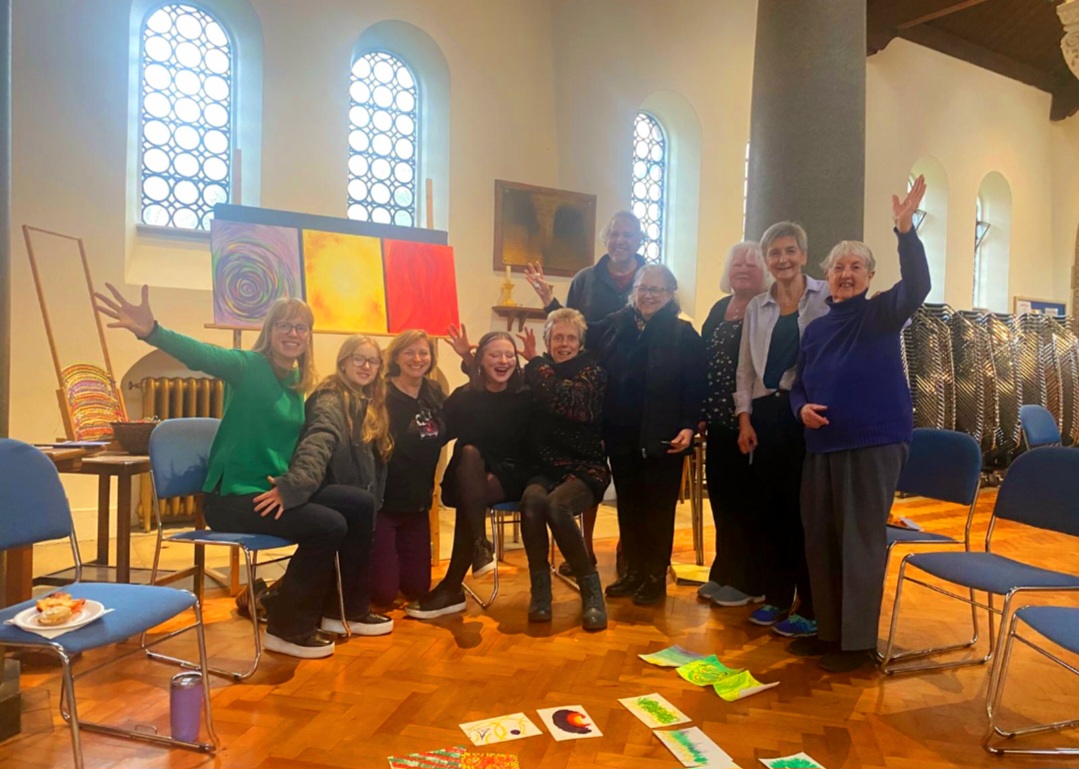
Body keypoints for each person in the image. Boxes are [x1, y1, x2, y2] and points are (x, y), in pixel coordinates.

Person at [95, 288, 347, 658]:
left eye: (301, 327)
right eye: (284, 325)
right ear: (270, 330)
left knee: (348, 507)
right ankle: (287, 629)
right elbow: (201, 354)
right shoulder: (248, 366)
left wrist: (292, 486)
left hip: (266, 491)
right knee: (328, 526)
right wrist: (152, 331)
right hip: (230, 498)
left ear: (309, 336)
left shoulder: (297, 383)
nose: (293, 333)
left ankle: (310, 608)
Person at [790, 176, 931, 673]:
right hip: (822, 446)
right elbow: (799, 385)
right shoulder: (816, 328)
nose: (845, 274)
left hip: (872, 442)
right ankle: (829, 634)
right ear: (826, 277)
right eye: (838, 267)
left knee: (859, 542)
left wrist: (905, 230)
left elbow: (918, 285)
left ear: (870, 276)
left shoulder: (880, 314)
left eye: (855, 267)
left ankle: (856, 646)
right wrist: (800, 410)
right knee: (822, 540)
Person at [523, 210, 647, 574]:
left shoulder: (649, 278)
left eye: (628, 234)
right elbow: (575, 327)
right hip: (588, 387)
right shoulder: (585, 279)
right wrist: (549, 301)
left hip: (633, 392)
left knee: (629, 476)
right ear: (605, 239)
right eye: (615, 234)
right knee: (587, 466)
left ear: (639, 240)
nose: (620, 241)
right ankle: (585, 549)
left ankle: (629, 549)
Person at [587, 264, 704, 606]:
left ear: (670, 294)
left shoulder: (684, 334)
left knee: (658, 510)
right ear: (633, 291)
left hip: (664, 436)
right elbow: (585, 335)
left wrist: (688, 425)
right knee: (629, 506)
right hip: (622, 435)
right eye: (643, 288)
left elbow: (694, 386)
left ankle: (654, 577)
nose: (648, 295)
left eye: (656, 289)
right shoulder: (618, 326)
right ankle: (633, 571)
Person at [734, 221, 830, 639]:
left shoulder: (826, 297)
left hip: (805, 412)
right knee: (771, 512)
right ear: (766, 260)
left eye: (790, 251)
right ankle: (776, 596)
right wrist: (744, 418)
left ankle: (809, 605)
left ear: (804, 255)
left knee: (804, 514)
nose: (783, 259)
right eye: (774, 253)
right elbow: (745, 369)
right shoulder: (757, 306)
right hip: (765, 414)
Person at [270, 335, 393, 637]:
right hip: (316, 487)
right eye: (358, 359)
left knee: (362, 504)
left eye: (373, 361)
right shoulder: (330, 399)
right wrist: (294, 486)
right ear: (343, 362)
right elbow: (318, 443)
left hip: (344, 490)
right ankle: (345, 610)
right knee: (359, 504)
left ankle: (342, 611)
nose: (366, 366)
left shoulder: (368, 401)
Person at [405, 331, 532, 619]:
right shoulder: (465, 397)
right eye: (495, 355)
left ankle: (455, 583)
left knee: (470, 497)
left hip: (513, 474)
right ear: (481, 361)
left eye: (509, 355)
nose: (503, 360)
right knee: (470, 455)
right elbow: (438, 432)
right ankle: (477, 547)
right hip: (469, 473)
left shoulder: (526, 393)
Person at [519, 308, 609, 631]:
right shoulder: (535, 370)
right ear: (548, 341)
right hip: (544, 467)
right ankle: (541, 593)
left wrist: (536, 363)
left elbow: (568, 401)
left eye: (571, 338)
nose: (564, 344)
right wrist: (468, 361)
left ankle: (591, 592)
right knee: (531, 503)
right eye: (558, 337)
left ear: (580, 343)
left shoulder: (593, 372)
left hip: (586, 467)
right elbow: (500, 388)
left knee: (557, 506)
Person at [697, 242, 770, 608]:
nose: (742, 269)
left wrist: (745, 418)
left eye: (750, 265)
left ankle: (750, 580)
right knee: (722, 498)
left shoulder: (765, 309)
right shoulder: (719, 308)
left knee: (748, 503)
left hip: (750, 421)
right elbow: (703, 362)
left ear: (764, 273)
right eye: (737, 264)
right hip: (718, 422)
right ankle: (724, 570)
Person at [372, 330, 446, 606]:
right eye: (409, 352)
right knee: (384, 594)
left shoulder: (434, 392)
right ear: (396, 357)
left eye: (423, 352)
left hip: (418, 506)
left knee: (417, 589)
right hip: (384, 505)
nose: (417, 359)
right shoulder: (381, 392)